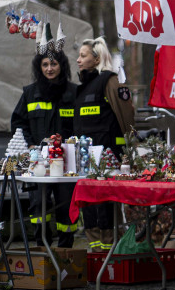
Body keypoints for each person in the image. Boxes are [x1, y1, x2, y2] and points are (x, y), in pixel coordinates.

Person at [10, 44, 79, 247]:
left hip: (67, 163)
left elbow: (81, 124)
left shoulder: (74, 93)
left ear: (62, 65)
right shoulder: (30, 93)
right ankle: (42, 245)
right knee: (38, 205)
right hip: (37, 161)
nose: (50, 68)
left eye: (54, 64)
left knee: (66, 205)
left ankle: (66, 251)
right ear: (39, 67)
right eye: (45, 64)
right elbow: (18, 123)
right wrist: (30, 144)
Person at [74, 36, 135, 252]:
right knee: (89, 206)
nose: (78, 60)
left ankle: (111, 251)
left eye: (83, 56)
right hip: (87, 160)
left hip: (110, 157)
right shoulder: (82, 88)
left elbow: (126, 114)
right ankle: (96, 253)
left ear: (96, 58)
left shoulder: (110, 80)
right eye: (78, 56)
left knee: (107, 206)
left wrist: (128, 149)